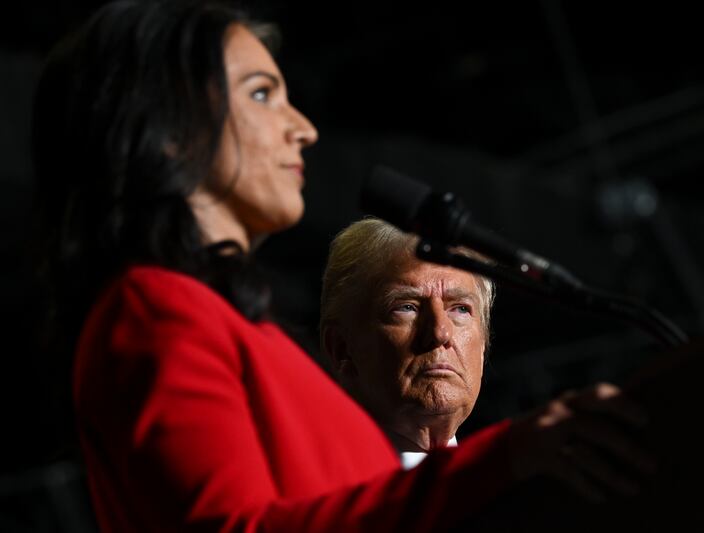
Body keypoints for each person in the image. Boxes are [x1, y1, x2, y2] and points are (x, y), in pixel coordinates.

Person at [33, 1, 654, 530]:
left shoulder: (240, 327)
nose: (301, 128)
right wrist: (503, 461)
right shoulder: (152, 306)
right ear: (167, 128)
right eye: (260, 94)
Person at [320, 218, 494, 469]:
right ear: (341, 348)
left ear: (483, 347)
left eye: (460, 309)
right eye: (406, 307)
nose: (440, 332)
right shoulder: (313, 487)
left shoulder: (510, 494)